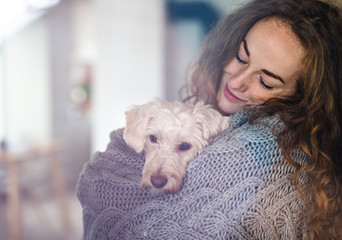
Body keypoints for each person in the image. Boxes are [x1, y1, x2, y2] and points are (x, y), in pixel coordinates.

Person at [77, 0, 342, 239]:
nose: (237, 82)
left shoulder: (259, 150)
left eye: (265, 80)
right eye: (240, 57)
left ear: (304, 98)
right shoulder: (209, 116)